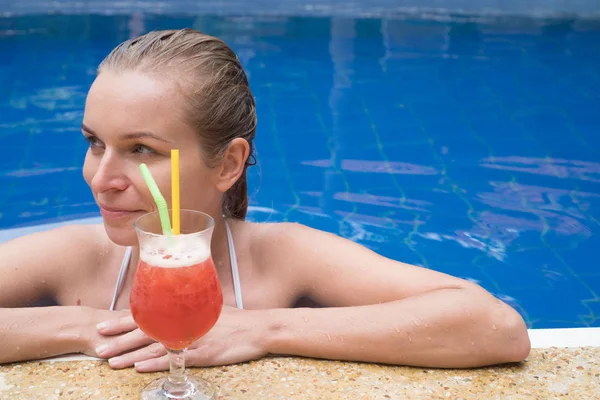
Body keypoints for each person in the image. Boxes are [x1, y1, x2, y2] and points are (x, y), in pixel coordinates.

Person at [0, 28, 530, 371]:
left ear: (228, 163)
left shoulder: (285, 258)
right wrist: (86, 326)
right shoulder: (77, 257)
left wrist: (263, 328)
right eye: (96, 143)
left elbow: (495, 328)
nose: (102, 177)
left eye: (142, 149)